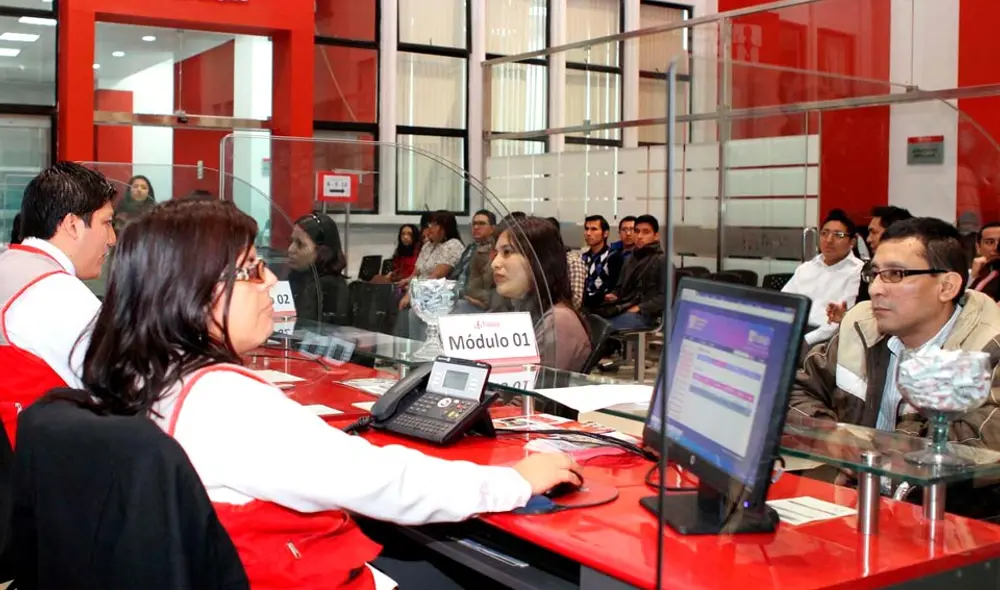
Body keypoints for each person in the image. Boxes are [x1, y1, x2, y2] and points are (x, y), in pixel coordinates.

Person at [78, 199, 581, 589]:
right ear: (195, 288)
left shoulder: (149, 373)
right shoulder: (226, 403)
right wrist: (515, 480)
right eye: (252, 269)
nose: (271, 279)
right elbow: (385, 484)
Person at [789, 218, 1000, 448]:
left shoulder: (989, 347)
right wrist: (835, 439)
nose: (875, 289)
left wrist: (876, 455)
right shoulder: (861, 326)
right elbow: (793, 389)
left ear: (946, 287)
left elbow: (979, 442)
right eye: (876, 273)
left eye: (896, 274)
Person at [0, 162, 116, 441]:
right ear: (72, 225)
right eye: (107, 222)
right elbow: (120, 387)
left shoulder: (9, 265)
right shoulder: (53, 292)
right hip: (42, 469)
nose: (112, 239)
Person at [492, 216, 592, 372]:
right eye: (496, 253)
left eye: (507, 252)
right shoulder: (527, 310)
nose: (495, 263)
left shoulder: (558, 321)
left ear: (538, 259)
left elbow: (532, 391)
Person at [782, 209, 864, 345]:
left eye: (838, 235)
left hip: (827, 339)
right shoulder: (806, 268)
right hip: (796, 330)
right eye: (824, 233)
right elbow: (785, 301)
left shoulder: (858, 271)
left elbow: (841, 320)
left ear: (852, 241)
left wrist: (805, 341)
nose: (829, 240)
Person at [598, 215, 665, 331]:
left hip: (647, 315)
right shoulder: (630, 259)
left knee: (603, 328)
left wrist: (639, 308)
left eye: (646, 232)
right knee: (592, 320)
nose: (639, 236)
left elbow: (664, 298)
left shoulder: (662, 261)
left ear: (656, 236)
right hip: (625, 307)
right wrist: (614, 295)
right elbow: (619, 287)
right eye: (637, 231)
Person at [287, 213, 349, 325]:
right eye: (291, 241)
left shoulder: (329, 288)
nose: (290, 249)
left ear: (322, 251)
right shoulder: (296, 279)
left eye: (300, 244)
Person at [452, 210, 496, 314]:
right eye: (474, 224)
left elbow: (487, 284)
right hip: (457, 293)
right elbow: (457, 273)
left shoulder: (494, 250)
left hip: (475, 300)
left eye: (481, 224)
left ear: (493, 228)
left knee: (456, 307)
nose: (476, 227)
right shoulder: (471, 247)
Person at [581, 214, 624, 312]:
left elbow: (611, 291)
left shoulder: (613, 257)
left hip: (602, 309)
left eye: (594, 229)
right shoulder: (583, 258)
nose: (588, 233)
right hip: (583, 307)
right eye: (586, 229)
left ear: (605, 234)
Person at [968, 221, 1000, 301]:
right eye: (990, 242)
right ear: (978, 247)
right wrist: (973, 277)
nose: (996, 248)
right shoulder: (969, 276)